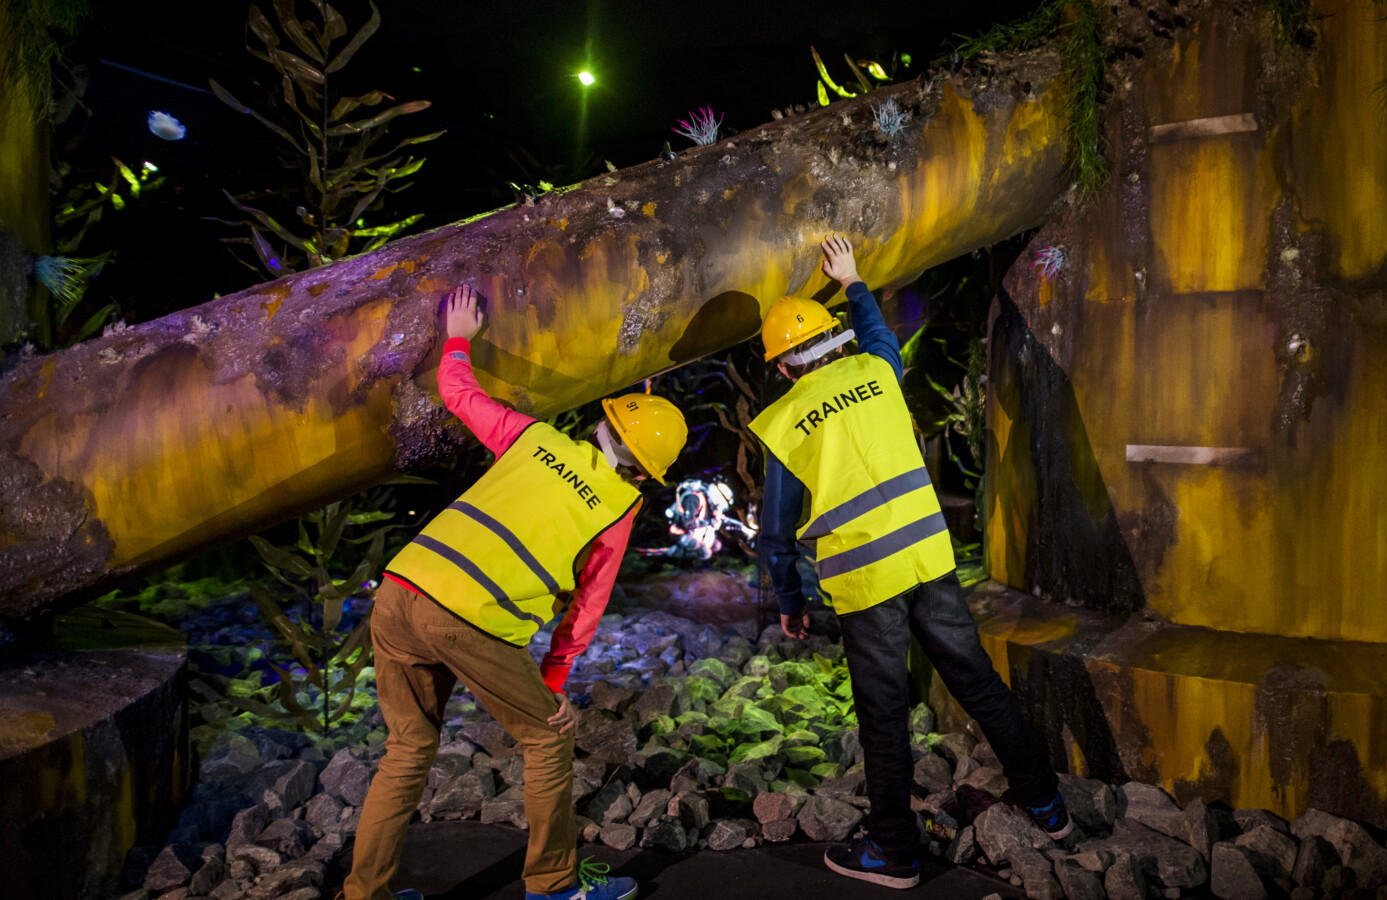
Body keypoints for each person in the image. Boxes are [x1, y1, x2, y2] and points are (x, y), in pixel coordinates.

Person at [340, 285, 687, 900]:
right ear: (644, 474)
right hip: (469, 619)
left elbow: (459, 394)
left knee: (407, 748)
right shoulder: (618, 505)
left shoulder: (537, 440)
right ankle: (554, 888)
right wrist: (552, 684)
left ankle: (364, 894)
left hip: (401, 588)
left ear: (605, 427)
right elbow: (586, 610)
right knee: (550, 736)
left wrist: (456, 339)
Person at [749, 236, 1071, 890]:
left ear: (783, 367)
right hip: (929, 562)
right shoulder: (876, 370)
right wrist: (853, 279)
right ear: (833, 342)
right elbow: (877, 330)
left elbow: (776, 534)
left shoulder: (783, 422)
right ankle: (1048, 804)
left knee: (885, 717)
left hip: (868, 585)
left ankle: (894, 851)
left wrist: (789, 602)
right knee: (977, 683)